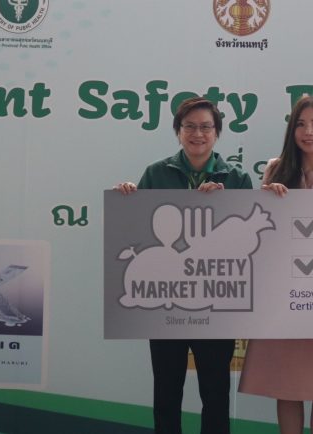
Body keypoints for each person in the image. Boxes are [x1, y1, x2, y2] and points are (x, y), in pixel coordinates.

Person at [115, 96, 252, 434]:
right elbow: (138, 232)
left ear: (217, 133)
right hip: (166, 301)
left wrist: (223, 207)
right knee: (166, 391)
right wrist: (128, 200)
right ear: (178, 131)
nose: (198, 134)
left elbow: (246, 245)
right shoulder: (156, 173)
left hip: (215, 303)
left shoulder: (236, 178)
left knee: (215, 393)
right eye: (189, 126)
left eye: (206, 127)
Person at [238, 95, 313, 434]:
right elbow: (262, 234)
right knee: (287, 384)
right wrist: (267, 200)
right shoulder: (275, 169)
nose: (309, 132)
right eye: (301, 124)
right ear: (292, 130)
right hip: (284, 293)